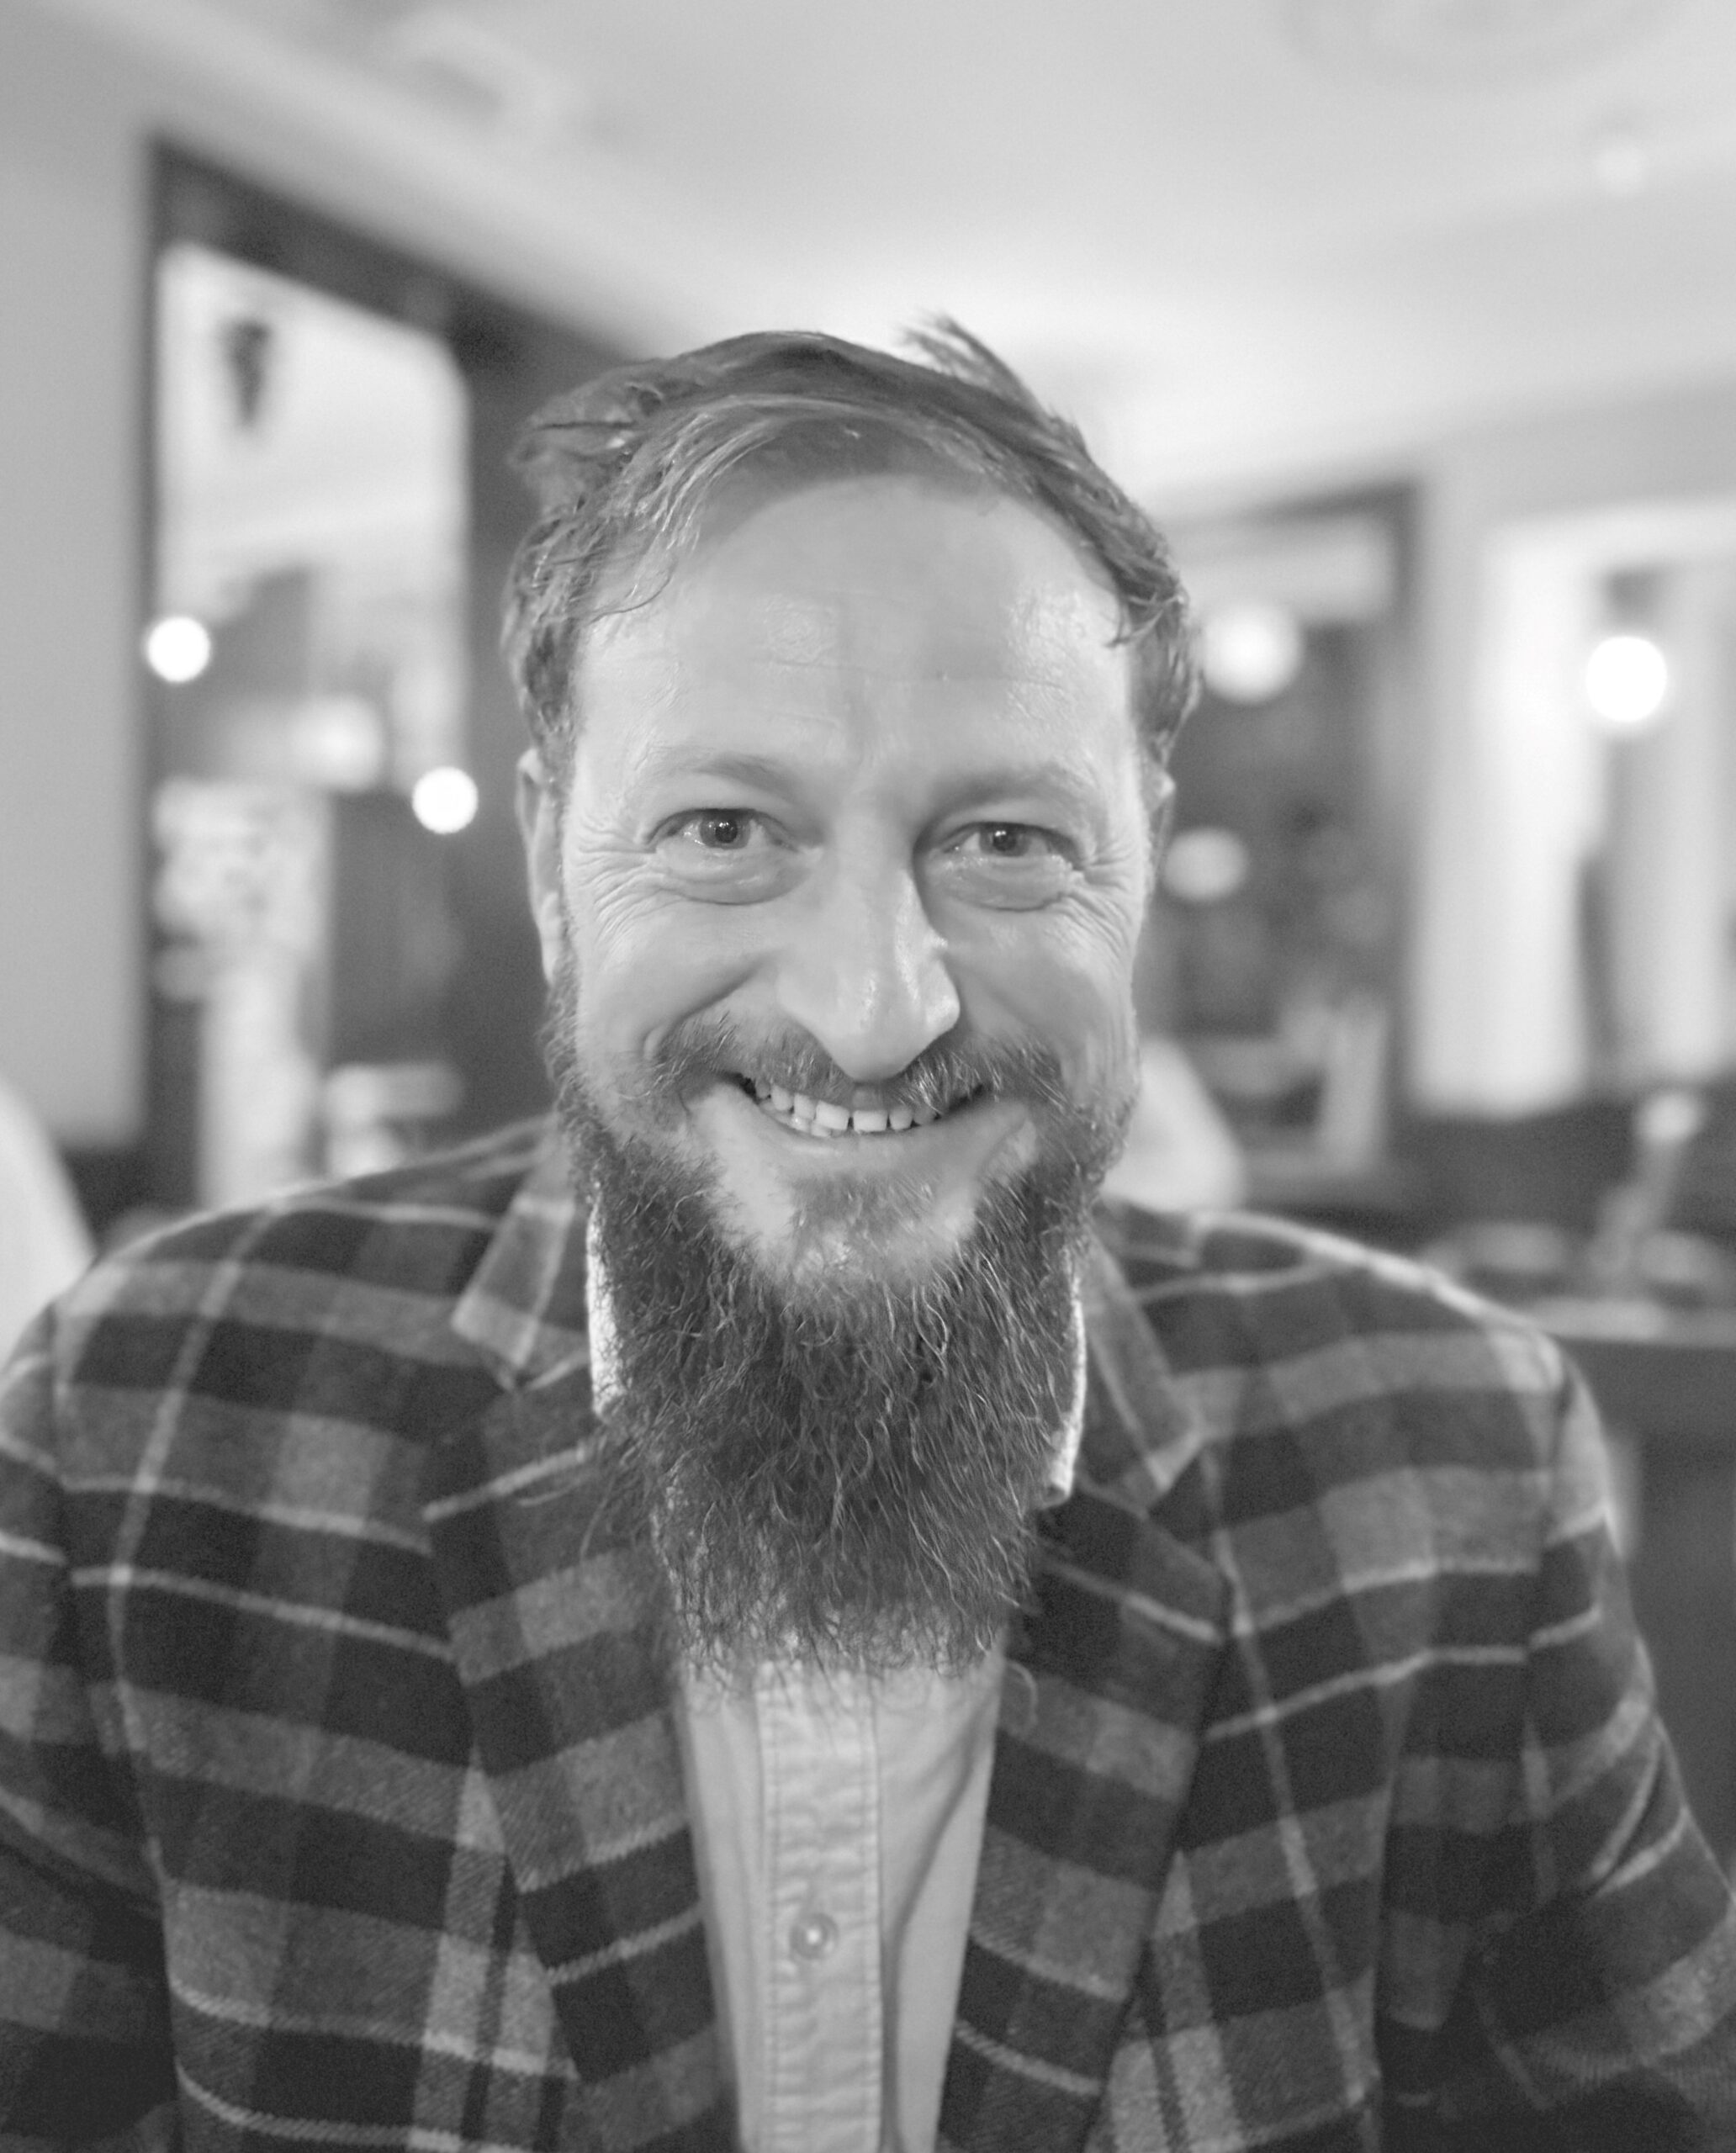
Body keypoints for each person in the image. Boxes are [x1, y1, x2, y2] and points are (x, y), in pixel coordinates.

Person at [2, 330, 1733, 2153]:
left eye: (1005, 839)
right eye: (724, 827)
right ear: (550, 866)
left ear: (1141, 863)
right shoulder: (140, 1436)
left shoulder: (1458, 1467)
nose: (874, 1009)